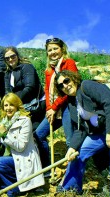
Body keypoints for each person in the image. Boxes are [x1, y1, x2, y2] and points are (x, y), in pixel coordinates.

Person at [0, 93, 44, 197]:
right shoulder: (4, 122)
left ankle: (15, 189)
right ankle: (9, 185)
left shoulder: (24, 121)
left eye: (11, 105)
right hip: (11, 159)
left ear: (17, 106)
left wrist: (5, 135)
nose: (8, 108)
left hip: (23, 159)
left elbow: (20, 146)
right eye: (6, 105)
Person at [33, 38, 78, 170]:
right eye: (49, 50)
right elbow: (47, 90)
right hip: (54, 109)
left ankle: (73, 175)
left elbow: (70, 89)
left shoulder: (69, 63)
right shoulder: (49, 70)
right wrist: (49, 108)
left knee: (70, 141)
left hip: (68, 106)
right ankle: (47, 168)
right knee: (38, 135)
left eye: (55, 49)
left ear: (62, 49)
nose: (53, 52)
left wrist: (54, 107)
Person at [3, 46, 45, 130]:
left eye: (13, 56)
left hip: (34, 105)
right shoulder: (7, 73)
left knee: (34, 133)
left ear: (17, 56)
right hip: (21, 107)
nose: (10, 59)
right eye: (7, 58)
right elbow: (8, 91)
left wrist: (15, 102)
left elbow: (30, 86)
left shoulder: (26, 67)